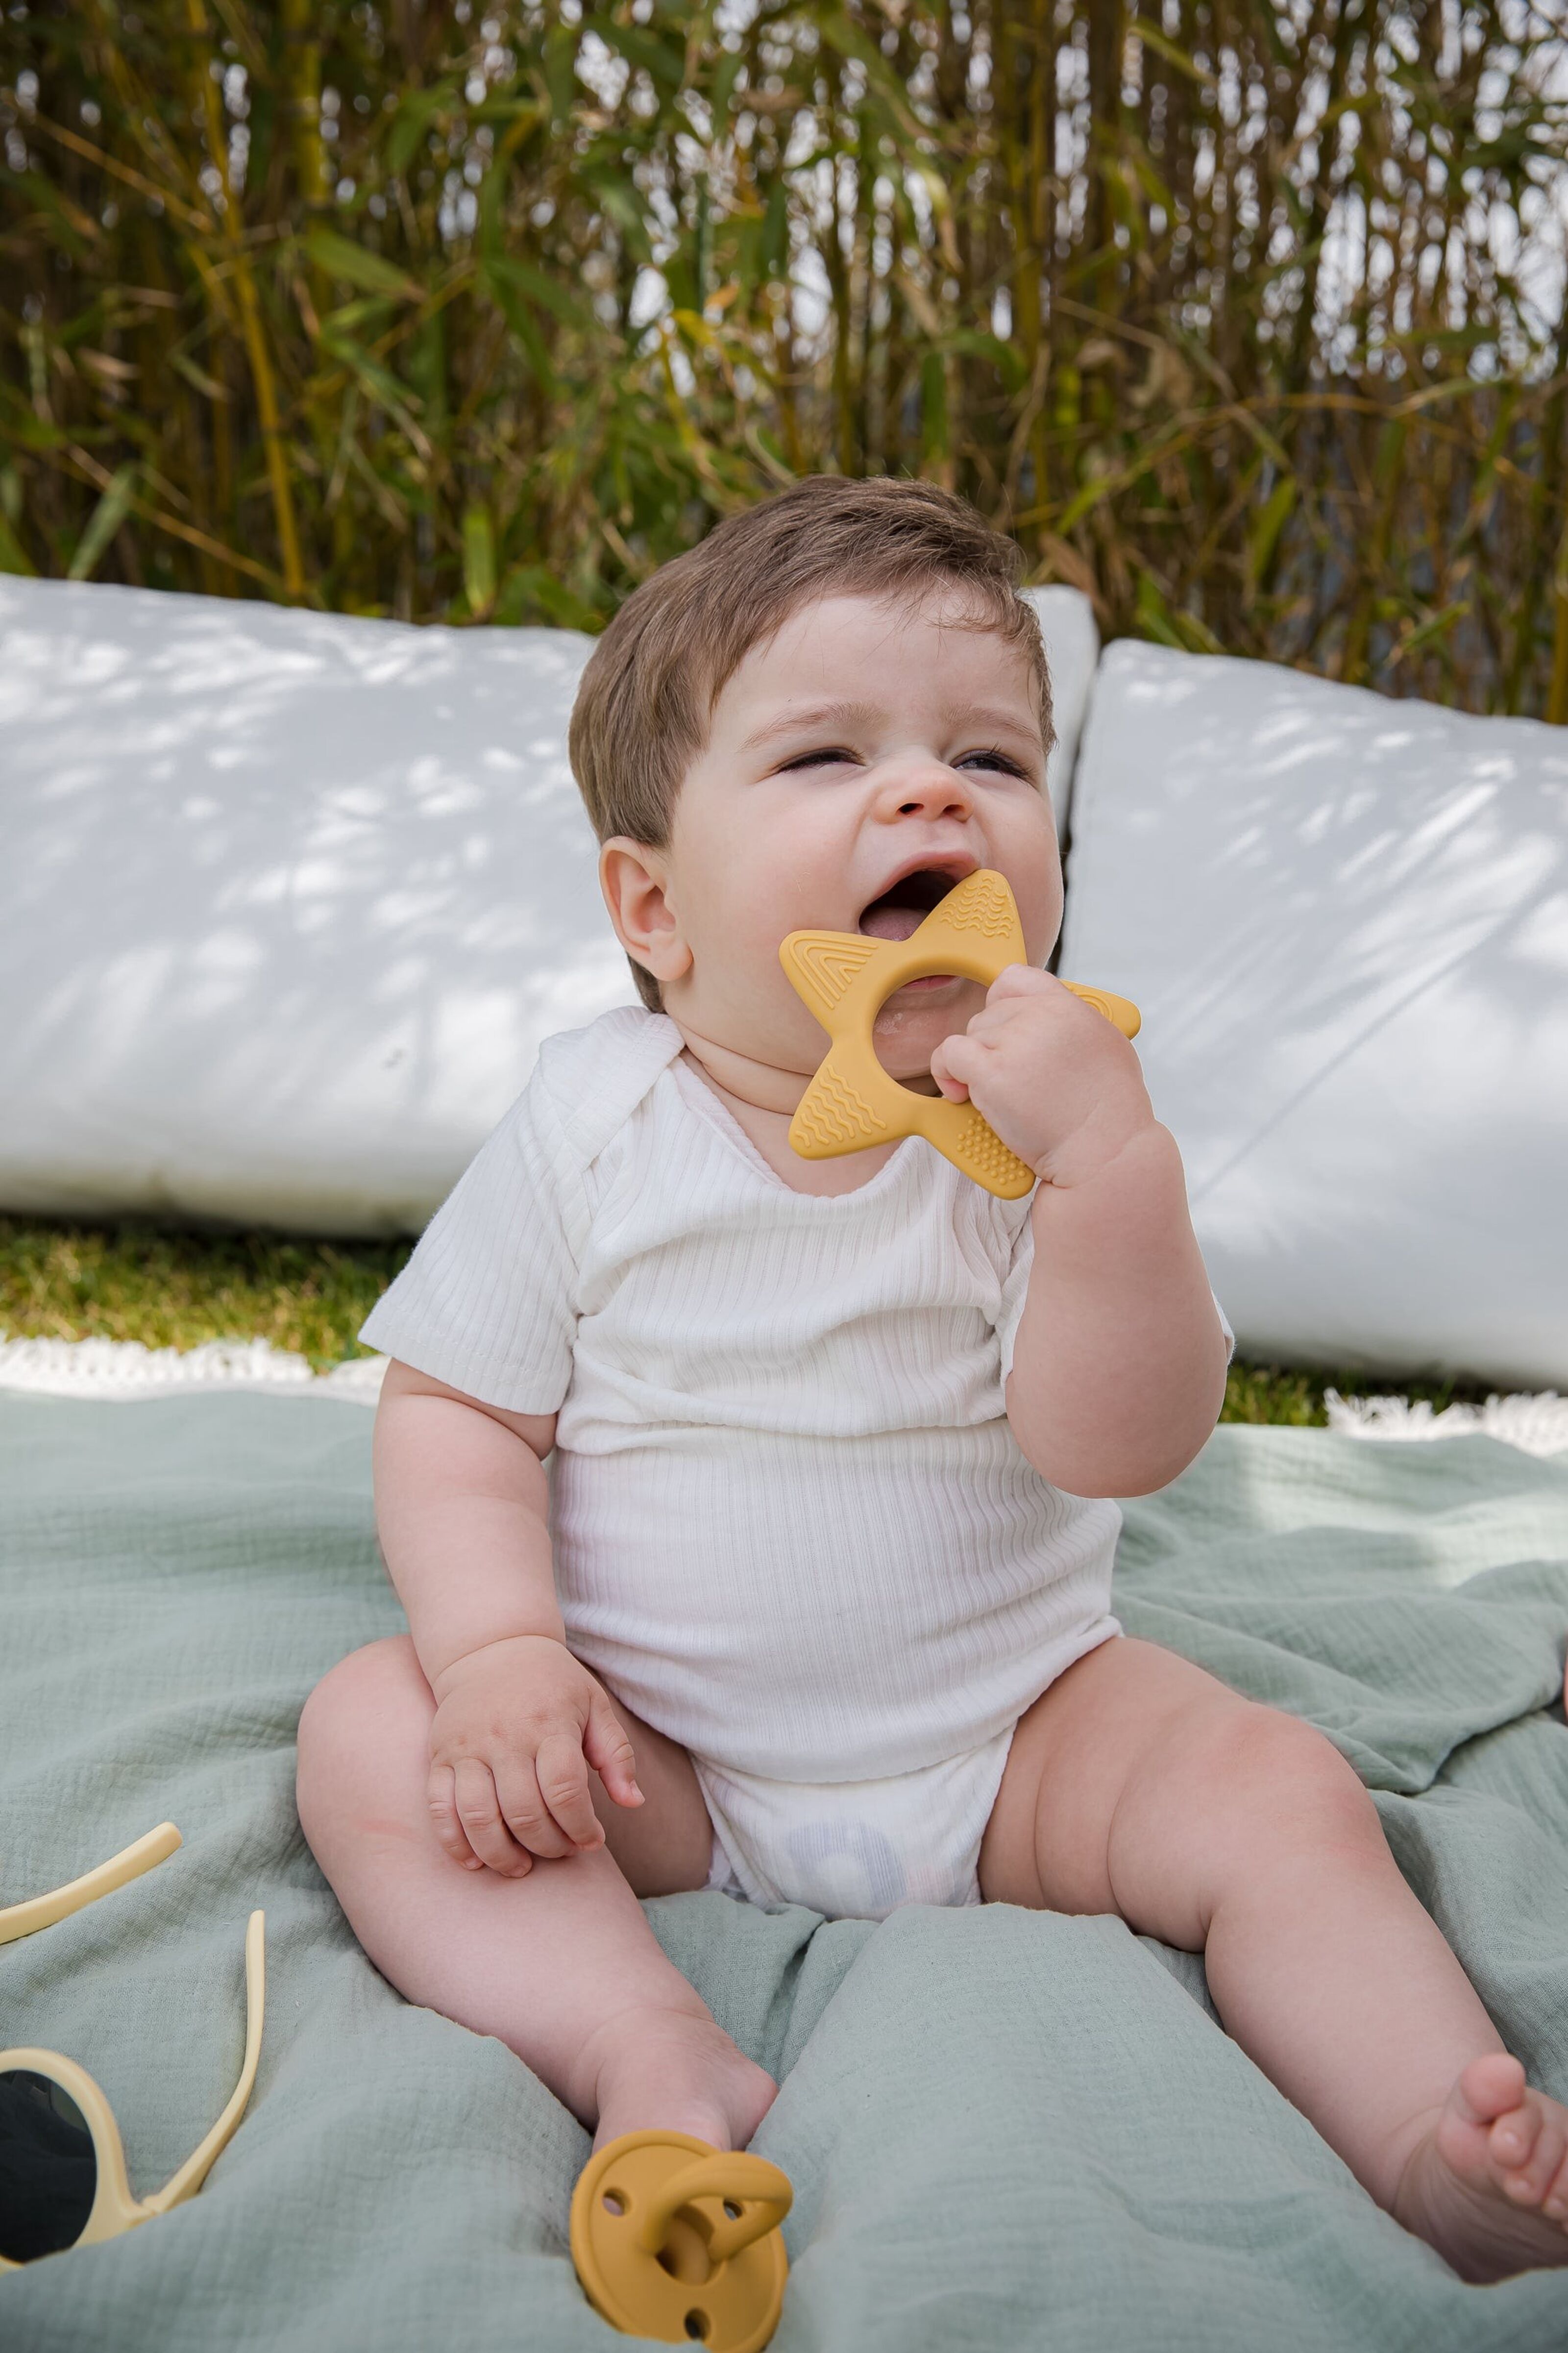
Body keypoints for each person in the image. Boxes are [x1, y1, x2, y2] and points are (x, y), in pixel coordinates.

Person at [296, 476, 1568, 2282]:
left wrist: (1113, 1186)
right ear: (653, 907)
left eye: (990, 757)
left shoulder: (1038, 1132)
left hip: (1022, 1734)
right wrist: (505, 1652)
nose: (928, 791)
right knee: (375, 1726)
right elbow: (457, 1416)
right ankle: (638, 2042)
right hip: (665, 1753)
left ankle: (1433, 2139)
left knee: (1278, 1787)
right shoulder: (594, 1123)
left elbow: (1115, 1444)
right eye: (827, 759)